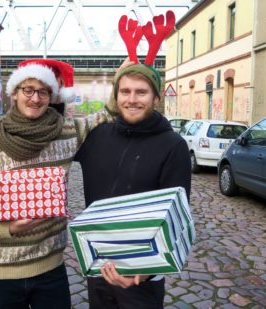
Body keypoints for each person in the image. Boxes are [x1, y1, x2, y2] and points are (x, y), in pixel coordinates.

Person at [0, 59, 116, 309]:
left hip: (50, 269)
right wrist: (8, 228)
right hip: (3, 272)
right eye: (28, 90)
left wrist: (122, 76)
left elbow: (105, 115)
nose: (35, 98)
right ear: (14, 92)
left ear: (51, 96)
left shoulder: (65, 132)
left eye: (42, 91)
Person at [75, 62, 191, 309]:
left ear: (156, 97)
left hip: (142, 275)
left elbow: (175, 216)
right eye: (125, 91)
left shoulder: (173, 146)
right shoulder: (96, 136)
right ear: (115, 97)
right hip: (99, 265)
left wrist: (145, 272)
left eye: (141, 92)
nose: (132, 99)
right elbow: (50, 140)